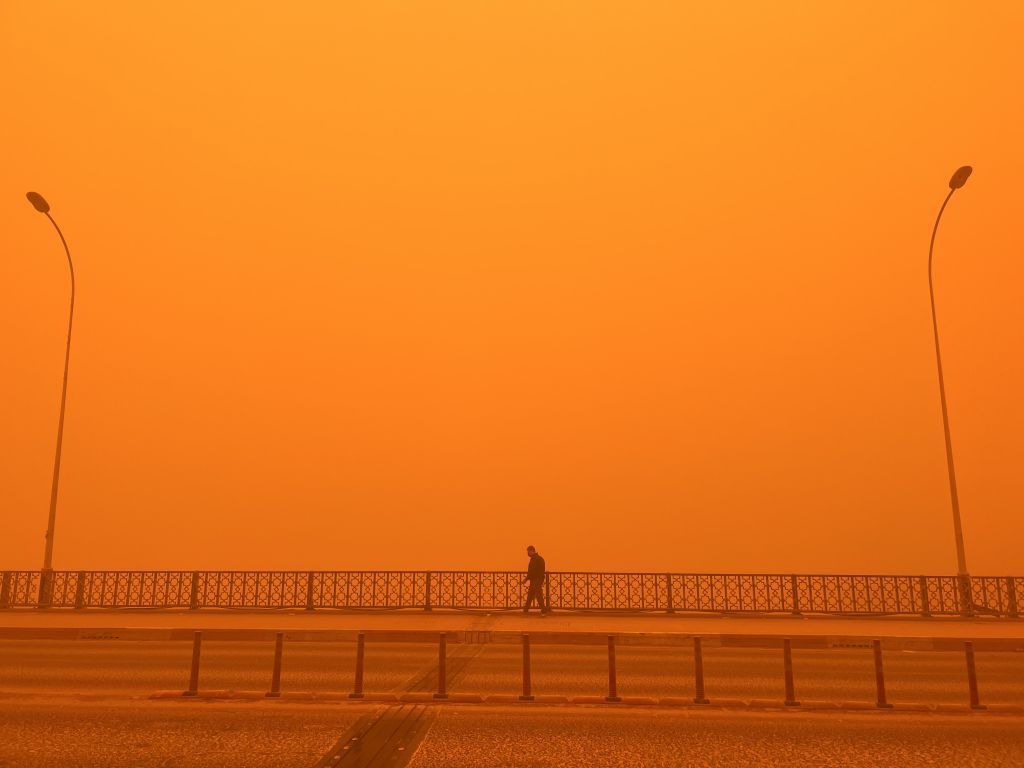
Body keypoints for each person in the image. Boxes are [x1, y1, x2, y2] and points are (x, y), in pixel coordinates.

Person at [522, 545, 550, 614]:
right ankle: (526, 608)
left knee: (537, 594)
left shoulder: (535, 559)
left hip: (536, 579)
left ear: (532, 551)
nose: (527, 553)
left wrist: (526, 579)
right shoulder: (539, 558)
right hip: (537, 579)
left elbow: (532, 571)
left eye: (528, 551)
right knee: (531, 593)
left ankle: (543, 609)